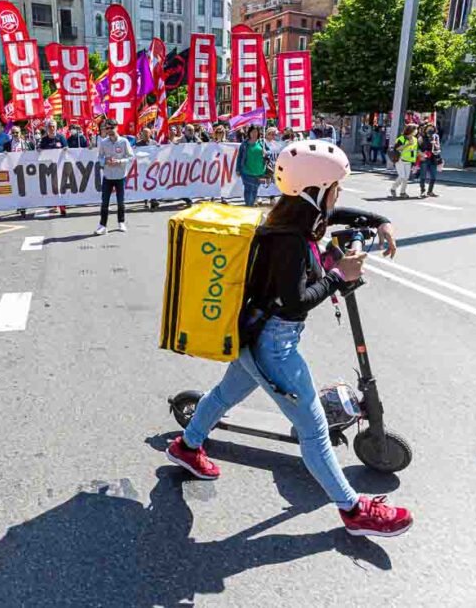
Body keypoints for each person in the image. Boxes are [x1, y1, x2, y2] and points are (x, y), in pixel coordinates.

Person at [164, 139, 412, 538]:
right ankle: (354, 510)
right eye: (335, 187)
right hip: (274, 345)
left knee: (226, 395)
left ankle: (187, 446)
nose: (339, 194)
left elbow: (333, 218)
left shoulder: (289, 217)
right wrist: (338, 276)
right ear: (315, 192)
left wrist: (376, 219)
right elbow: (293, 302)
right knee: (314, 431)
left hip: (252, 333)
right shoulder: (291, 241)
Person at [94, 119, 134, 235]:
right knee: (104, 202)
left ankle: (121, 222)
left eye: (111, 128)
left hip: (120, 176)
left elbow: (131, 157)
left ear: (117, 127)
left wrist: (120, 161)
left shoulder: (124, 141)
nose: (109, 130)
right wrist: (105, 161)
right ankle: (102, 225)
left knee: (120, 201)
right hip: (108, 176)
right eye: (107, 128)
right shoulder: (103, 142)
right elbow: (99, 157)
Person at [38, 119, 69, 217]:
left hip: (60, 166)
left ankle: (62, 207)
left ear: (56, 127)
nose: (52, 128)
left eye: (53, 126)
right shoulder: (44, 139)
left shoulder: (61, 137)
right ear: (47, 128)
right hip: (48, 168)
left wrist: (65, 149)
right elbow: (39, 149)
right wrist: (39, 149)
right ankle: (55, 204)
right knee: (53, 187)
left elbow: (67, 148)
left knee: (61, 187)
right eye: (50, 126)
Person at [236, 125, 268, 207]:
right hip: (246, 172)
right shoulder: (244, 144)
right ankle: (248, 206)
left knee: (255, 190)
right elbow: (239, 157)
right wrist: (238, 169)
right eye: (252, 132)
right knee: (248, 190)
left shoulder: (262, 143)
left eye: (256, 132)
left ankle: (251, 205)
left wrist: (266, 153)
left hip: (260, 172)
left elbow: (269, 153)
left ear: (258, 133)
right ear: (249, 133)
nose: (254, 134)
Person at [390, 124, 419, 198]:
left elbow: (415, 150)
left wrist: (420, 155)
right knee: (402, 176)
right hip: (400, 160)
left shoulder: (415, 139)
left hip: (409, 161)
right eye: (415, 129)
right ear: (411, 130)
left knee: (406, 178)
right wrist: (408, 144)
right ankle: (393, 188)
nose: (416, 131)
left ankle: (403, 192)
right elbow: (397, 148)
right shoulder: (402, 138)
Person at [417, 124, 442, 198]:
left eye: (432, 129)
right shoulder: (421, 137)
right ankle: (422, 191)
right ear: (425, 129)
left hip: (433, 158)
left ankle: (430, 191)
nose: (430, 130)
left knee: (433, 177)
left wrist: (435, 144)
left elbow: (438, 148)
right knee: (423, 176)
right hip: (424, 158)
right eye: (429, 129)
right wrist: (421, 154)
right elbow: (418, 148)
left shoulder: (436, 137)